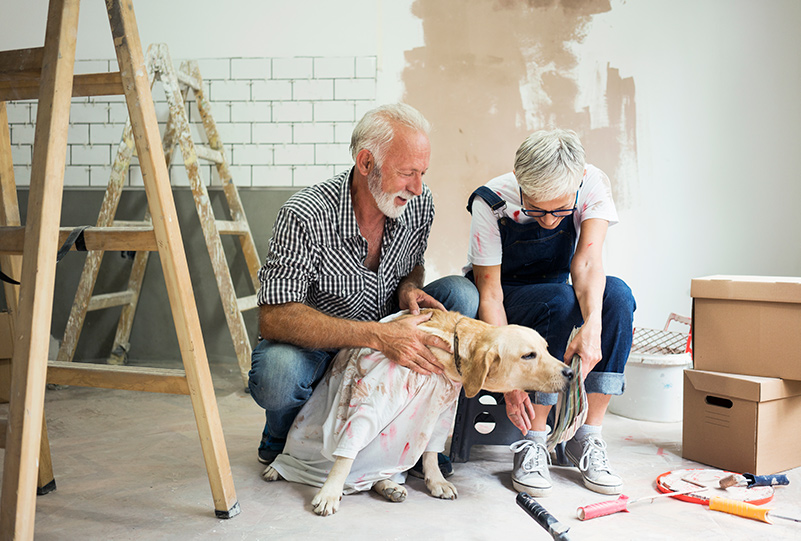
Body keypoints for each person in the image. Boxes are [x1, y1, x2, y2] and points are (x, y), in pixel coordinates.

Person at [249, 103, 478, 478]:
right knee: (277, 372)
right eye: (407, 173)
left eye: (422, 173)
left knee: (461, 295)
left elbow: (414, 263)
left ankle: (414, 438)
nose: (417, 188)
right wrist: (377, 335)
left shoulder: (419, 204)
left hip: (389, 331)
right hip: (322, 347)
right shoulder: (305, 214)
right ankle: (284, 435)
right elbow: (274, 317)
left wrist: (409, 287)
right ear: (366, 163)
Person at [464, 129, 636, 496]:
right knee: (558, 300)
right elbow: (490, 294)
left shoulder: (592, 185)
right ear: (520, 185)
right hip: (508, 294)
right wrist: (510, 383)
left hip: (559, 286)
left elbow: (588, 262)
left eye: (559, 210)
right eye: (536, 209)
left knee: (618, 297)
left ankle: (586, 437)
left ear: (576, 188)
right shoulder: (491, 201)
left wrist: (593, 325)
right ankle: (535, 439)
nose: (547, 220)